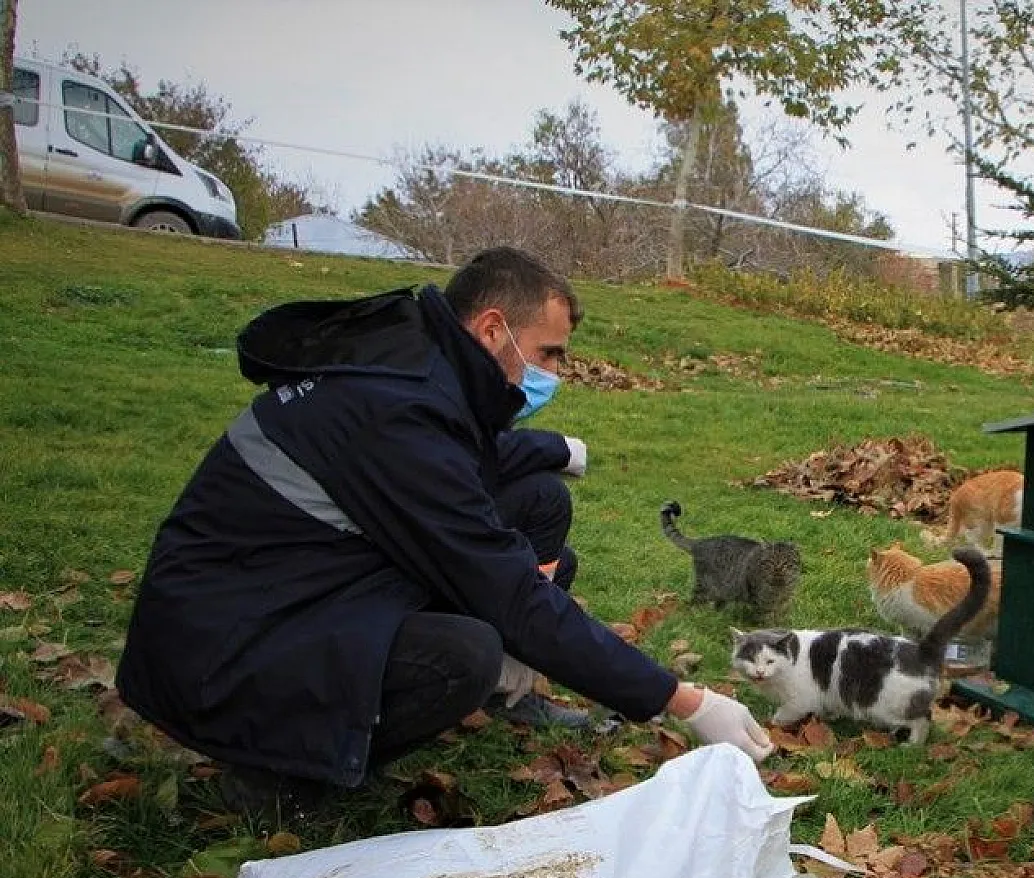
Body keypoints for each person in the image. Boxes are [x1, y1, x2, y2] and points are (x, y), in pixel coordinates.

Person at [116, 247, 773, 814]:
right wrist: (681, 700)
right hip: (223, 650)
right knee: (464, 654)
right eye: (548, 353)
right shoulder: (399, 412)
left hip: (280, 587)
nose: (556, 373)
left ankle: (498, 686)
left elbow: (474, 466)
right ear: (493, 330)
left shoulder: (416, 365)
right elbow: (508, 590)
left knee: (538, 514)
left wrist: (553, 453)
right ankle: (278, 773)